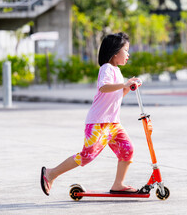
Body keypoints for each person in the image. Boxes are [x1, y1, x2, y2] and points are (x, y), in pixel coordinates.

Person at [40, 32, 140, 196]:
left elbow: (115, 96)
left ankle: (118, 184)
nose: (128, 54)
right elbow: (104, 87)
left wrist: (128, 87)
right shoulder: (106, 68)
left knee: (127, 149)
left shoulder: (117, 71)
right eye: (126, 50)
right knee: (87, 156)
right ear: (115, 52)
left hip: (113, 123)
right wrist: (124, 83)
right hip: (98, 123)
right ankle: (50, 173)